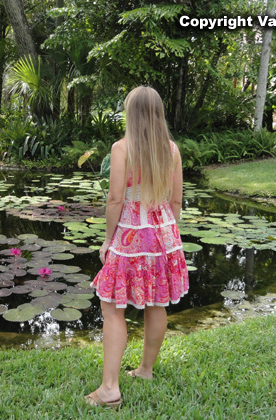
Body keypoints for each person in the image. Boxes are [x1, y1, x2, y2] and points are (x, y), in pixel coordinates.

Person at [86, 86, 189, 408]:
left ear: (131, 113)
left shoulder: (122, 148)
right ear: (158, 113)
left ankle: (109, 389)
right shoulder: (171, 149)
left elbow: (116, 199)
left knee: (112, 307)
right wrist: (166, 238)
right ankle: (145, 370)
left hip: (131, 235)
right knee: (157, 303)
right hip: (165, 236)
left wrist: (108, 239)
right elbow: (176, 200)